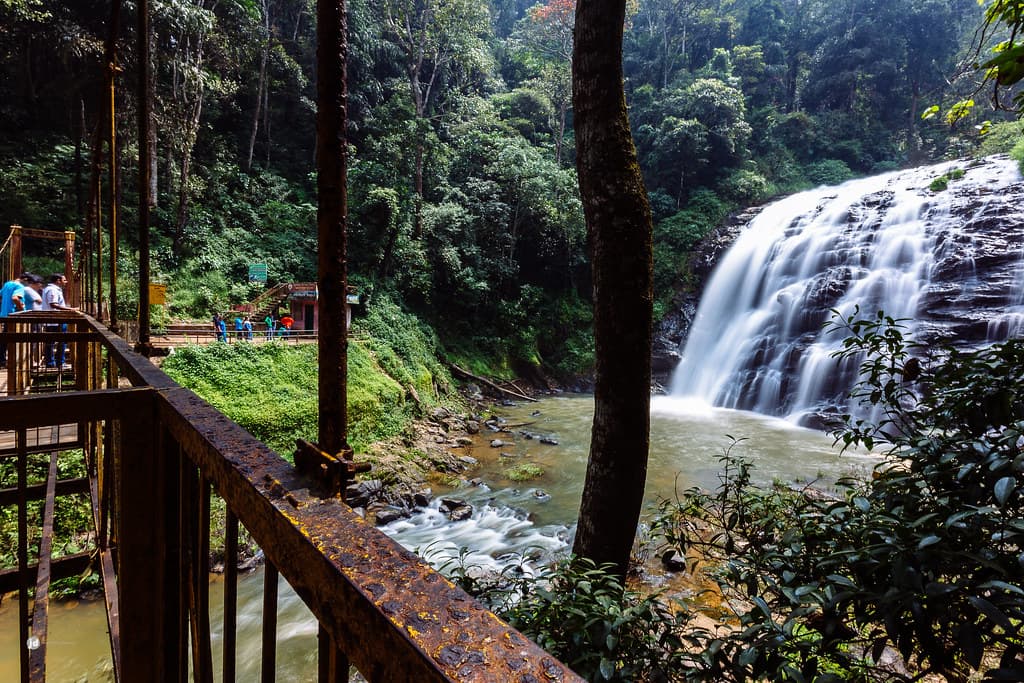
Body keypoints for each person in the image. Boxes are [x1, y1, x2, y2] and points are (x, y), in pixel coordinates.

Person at [42, 273, 75, 368]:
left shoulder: (50, 289)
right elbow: (53, 304)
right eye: (64, 280)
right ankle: (59, 363)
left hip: (52, 320)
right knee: (60, 341)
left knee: (50, 342)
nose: (66, 282)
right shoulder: (52, 290)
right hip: (56, 320)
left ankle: (51, 363)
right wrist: (71, 309)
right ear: (58, 281)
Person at [0, 272, 29, 368]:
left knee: (5, 338)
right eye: (28, 282)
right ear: (25, 280)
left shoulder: (7, 284)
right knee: (15, 339)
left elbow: (1, 295)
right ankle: (13, 362)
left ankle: (2, 360)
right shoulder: (20, 286)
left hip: (4, 314)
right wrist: (21, 308)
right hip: (14, 315)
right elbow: (15, 298)